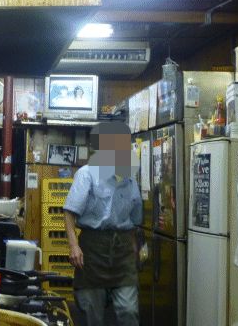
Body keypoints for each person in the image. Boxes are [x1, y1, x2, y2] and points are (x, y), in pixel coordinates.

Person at [63, 121, 142, 326]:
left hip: (123, 253)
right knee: (92, 314)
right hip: (93, 251)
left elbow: (134, 221)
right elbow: (70, 212)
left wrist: (135, 250)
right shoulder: (87, 174)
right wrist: (73, 246)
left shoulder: (130, 178)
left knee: (128, 311)